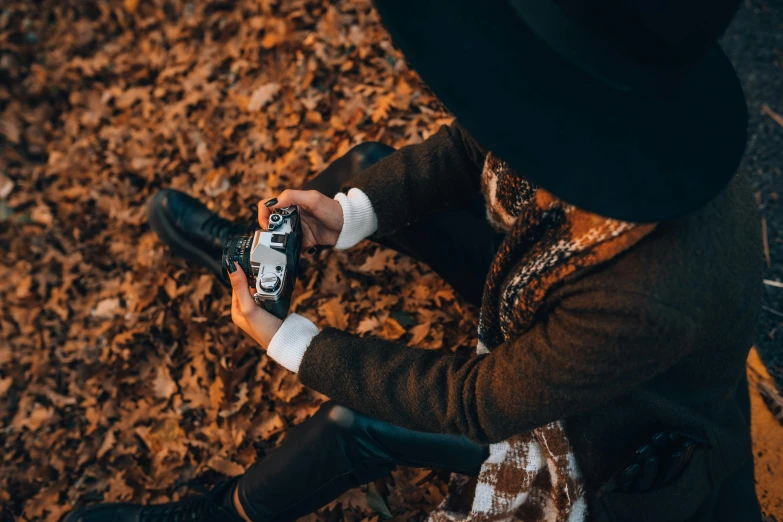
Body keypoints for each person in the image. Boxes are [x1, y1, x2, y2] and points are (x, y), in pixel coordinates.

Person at [64, 0, 765, 521]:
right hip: (544, 284)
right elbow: (469, 149)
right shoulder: (610, 113)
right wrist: (348, 215)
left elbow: (479, 401)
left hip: (605, 435)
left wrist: (293, 344)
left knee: (355, 427)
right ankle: (252, 259)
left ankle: (218, 515)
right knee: (367, 174)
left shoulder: (647, 290)